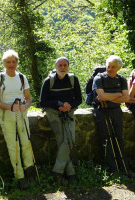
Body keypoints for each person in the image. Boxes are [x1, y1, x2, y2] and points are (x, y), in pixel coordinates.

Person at [0, 50, 35, 189]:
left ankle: (30, 171)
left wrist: (25, 106)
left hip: (22, 115)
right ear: (4, 63)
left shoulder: (22, 77)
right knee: (13, 146)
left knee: (26, 142)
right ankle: (20, 176)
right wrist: (9, 107)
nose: (11, 64)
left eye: (13, 61)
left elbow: (29, 98)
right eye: (8, 62)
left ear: (17, 62)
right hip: (6, 116)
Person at [40, 57, 82, 186]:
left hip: (68, 113)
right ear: (56, 66)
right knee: (61, 140)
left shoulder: (73, 80)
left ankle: (57, 172)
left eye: (65, 65)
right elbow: (43, 102)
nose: (62, 68)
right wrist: (59, 104)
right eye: (60, 65)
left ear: (68, 66)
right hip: (53, 113)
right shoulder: (48, 81)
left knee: (70, 140)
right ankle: (70, 173)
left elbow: (79, 99)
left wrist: (68, 106)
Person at [92, 55, 134, 176]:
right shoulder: (98, 78)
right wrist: (117, 94)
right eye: (108, 66)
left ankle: (124, 168)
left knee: (119, 138)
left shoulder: (121, 79)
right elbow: (102, 97)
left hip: (116, 111)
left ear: (119, 67)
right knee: (107, 139)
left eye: (113, 67)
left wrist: (109, 96)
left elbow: (126, 98)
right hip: (102, 111)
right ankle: (113, 169)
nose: (109, 69)